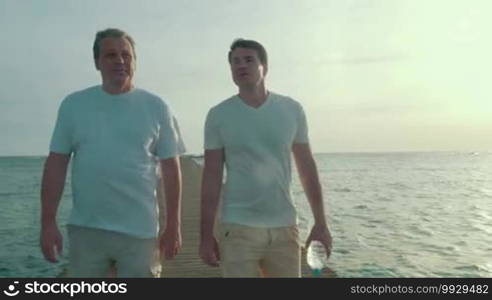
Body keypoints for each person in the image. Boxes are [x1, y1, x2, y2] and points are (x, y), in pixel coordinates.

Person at [40, 28, 185, 277]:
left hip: (140, 233)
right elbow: (56, 165)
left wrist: (174, 224)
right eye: (110, 55)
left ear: (134, 61)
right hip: (87, 231)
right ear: (97, 62)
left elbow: (171, 169)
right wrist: (47, 222)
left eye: (126, 55)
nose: (120, 60)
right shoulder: (74, 105)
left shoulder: (156, 107)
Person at [199, 39, 333, 277]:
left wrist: (320, 223)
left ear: (265, 67)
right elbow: (211, 177)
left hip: (284, 227)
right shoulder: (218, 115)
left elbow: (307, 168)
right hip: (237, 228)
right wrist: (205, 234)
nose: (241, 66)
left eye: (249, 60)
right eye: (235, 62)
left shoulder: (291, 110)